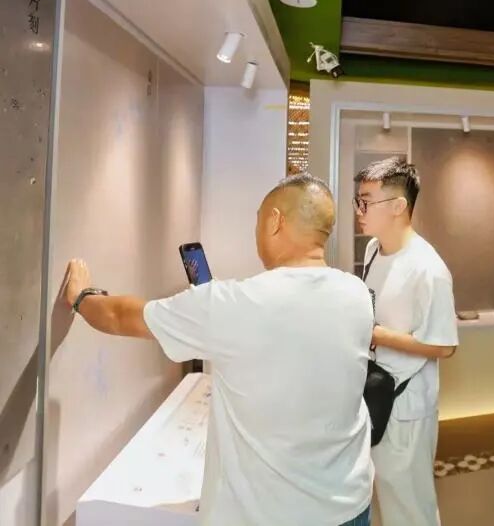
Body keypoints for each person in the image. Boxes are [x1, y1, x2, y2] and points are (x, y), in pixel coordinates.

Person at [60, 175, 375, 526]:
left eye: (258, 220)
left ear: (275, 221)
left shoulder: (235, 304)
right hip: (349, 505)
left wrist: (80, 296)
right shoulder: (357, 294)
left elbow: (119, 317)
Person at [355, 157, 458, 526]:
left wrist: (377, 334)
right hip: (374, 391)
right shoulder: (372, 249)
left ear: (399, 206)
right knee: (381, 496)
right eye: (358, 200)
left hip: (407, 402)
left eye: (367, 201)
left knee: (410, 508)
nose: (359, 210)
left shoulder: (428, 269)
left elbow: (444, 345)